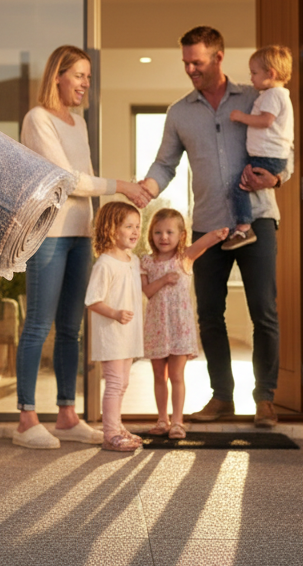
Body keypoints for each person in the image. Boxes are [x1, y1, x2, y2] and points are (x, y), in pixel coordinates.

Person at [139, 26, 292, 428]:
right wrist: (146, 189)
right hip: (208, 225)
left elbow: (284, 149)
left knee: (264, 310)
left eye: (197, 62)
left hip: (257, 218)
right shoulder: (180, 112)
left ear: (218, 58)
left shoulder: (256, 98)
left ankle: (265, 398)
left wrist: (276, 179)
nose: (190, 68)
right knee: (209, 314)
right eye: (186, 62)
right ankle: (222, 397)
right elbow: (165, 163)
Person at [13, 45, 149, 449]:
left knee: (71, 329)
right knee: (39, 324)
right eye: (79, 75)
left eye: (88, 76)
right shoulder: (37, 119)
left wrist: (108, 210)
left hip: (80, 234)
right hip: (48, 234)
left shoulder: (79, 123)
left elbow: (85, 177)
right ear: (58, 75)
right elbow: (69, 179)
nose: (85, 83)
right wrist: (121, 185)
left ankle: (68, 415)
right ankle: (25, 419)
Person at [140, 208, 229, 439]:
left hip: (179, 328)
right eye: (158, 232)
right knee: (159, 376)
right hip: (156, 328)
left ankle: (177, 422)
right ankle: (162, 420)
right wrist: (163, 280)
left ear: (181, 235)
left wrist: (219, 233)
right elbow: (147, 291)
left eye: (170, 232)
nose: (164, 237)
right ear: (151, 235)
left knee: (176, 376)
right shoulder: (146, 262)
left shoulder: (184, 259)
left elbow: (203, 244)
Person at [84, 200, 146, 453]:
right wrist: (115, 313)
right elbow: (92, 301)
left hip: (128, 334)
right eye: (128, 226)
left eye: (137, 226)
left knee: (123, 383)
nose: (135, 231)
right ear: (111, 229)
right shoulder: (105, 264)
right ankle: (109, 434)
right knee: (114, 382)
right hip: (111, 334)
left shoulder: (133, 260)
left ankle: (117, 427)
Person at [222, 45, 295, 251]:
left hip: (268, 157)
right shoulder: (277, 95)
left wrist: (240, 117)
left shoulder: (273, 95)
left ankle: (244, 228)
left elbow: (266, 120)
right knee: (242, 184)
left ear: (270, 74)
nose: (251, 78)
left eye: (254, 73)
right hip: (270, 156)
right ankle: (244, 226)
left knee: (239, 187)